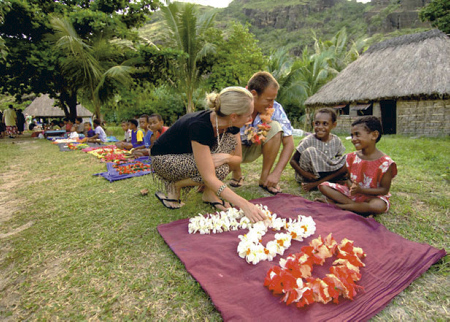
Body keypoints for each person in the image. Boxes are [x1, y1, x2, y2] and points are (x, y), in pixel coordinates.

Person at [151, 86, 267, 222]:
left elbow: (237, 159)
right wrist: (245, 205)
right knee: (216, 171)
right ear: (234, 116)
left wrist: (226, 157)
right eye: (249, 115)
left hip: (189, 156)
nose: (250, 119)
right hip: (164, 159)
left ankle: (209, 194)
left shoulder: (231, 124)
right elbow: (209, 177)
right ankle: (175, 185)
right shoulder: (200, 126)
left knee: (222, 166)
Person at [317, 116, 397, 216]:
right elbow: (347, 177)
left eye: (357, 135)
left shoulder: (386, 163)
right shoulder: (351, 157)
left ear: (374, 135)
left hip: (373, 196)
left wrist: (361, 190)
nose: (353, 139)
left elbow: (384, 190)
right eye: (352, 135)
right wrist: (349, 183)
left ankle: (338, 206)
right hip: (353, 194)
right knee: (324, 186)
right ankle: (357, 207)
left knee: (378, 205)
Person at [230, 71, 294, 195]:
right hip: (231, 152)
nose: (271, 104)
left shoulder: (275, 108)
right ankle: (236, 173)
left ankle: (265, 179)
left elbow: (289, 144)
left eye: (273, 99)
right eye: (268, 100)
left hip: (255, 148)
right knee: (230, 132)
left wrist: (276, 173)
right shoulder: (235, 104)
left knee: (275, 127)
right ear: (253, 94)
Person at [290, 108, 346, 192]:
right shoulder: (308, 140)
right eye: (317, 123)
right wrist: (305, 174)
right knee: (311, 151)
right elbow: (293, 161)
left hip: (326, 172)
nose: (320, 127)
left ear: (333, 125)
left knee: (348, 159)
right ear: (313, 124)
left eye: (325, 124)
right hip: (310, 175)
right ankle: (326, 181)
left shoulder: (336, 140)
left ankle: (321, 182)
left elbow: (338, 159)